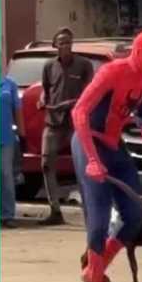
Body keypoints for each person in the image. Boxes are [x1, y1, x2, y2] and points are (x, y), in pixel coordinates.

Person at [72, 30, 142, 282]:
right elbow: (79, 112)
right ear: (141, 53)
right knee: (100, 217)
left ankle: (94, 269)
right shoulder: (111, 72)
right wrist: (92, 159)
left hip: (114, 144)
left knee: (134, 215)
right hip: (89, 140)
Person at [39, 27, 95, 225]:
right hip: (53, 121)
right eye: (62, 42)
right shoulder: (49, 66)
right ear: (56, 46)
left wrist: (70, 103)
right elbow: (45, 90)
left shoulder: (84, 65)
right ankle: (55, 210)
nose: (66, 46)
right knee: (46, 164)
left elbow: (90, 93)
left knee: (82, 165)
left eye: (69, 42)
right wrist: (42, 100)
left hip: (75, 123)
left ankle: (90, 208)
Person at [0, 74, 25, 229]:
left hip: (6, 138)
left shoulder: (10, 84)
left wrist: (22, 134)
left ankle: (7, 214)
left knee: (6, 174)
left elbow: (17, 110)